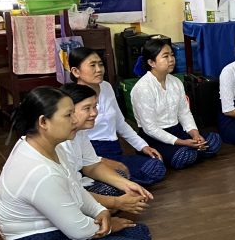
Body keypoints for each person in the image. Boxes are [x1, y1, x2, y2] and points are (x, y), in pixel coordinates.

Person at [0, 88, 168, 240]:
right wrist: (110, 226)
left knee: (139, 233)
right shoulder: (39, 171)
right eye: (68, 115)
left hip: (57, 238)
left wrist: (101, 210)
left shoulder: (46, 147)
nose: (76, 119)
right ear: (43, 122)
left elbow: (76, 189)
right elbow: (79, 231)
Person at [68, 47, 166, 187]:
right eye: (92, 65)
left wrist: (143, 146)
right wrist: (98, 161)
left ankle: (115, 183)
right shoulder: (72, 98)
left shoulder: (106, 87)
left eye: (100, 64)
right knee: (117, 176)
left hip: (114, 149)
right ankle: (110, 183)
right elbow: (71, 141)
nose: (99, 69)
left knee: (155, 167)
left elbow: (120, 123)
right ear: (76, 71)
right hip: (90, 153)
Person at [58, 83, 154, 216]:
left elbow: (92, 166)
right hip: (67, 196)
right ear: (69, 111)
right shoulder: (59, 141)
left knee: (120, 176)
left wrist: (127, 185)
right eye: (87, 108)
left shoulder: (79, 131)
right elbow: (68, 192)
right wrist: (116, 202)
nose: (94, 113)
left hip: (78, 187)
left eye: (95, 106)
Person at [131, 39, 222, 169]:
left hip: (177, 131)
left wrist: (195, 135)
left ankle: (192, 150)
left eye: (172, 55)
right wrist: (182, 142)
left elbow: (184, 113)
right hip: (154, 137)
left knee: (214, 140)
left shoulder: (176, 82)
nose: (171, 59)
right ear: (151, 62)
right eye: (165, 56)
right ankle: (190, 152)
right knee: (183, 156)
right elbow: (150, 128)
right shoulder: (142, 88)